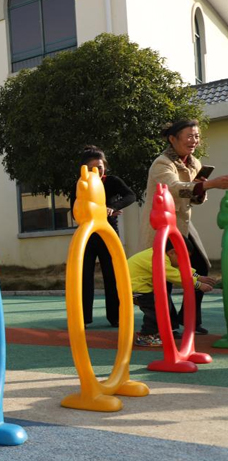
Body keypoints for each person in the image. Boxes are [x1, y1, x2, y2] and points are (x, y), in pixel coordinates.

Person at [139, 119, 228, 334]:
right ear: (173, 138)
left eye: (197, 136)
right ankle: (164, 326)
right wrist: (209, 184)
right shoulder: (162, 163)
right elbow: (173, 188)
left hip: (183, 224)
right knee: (164, 274)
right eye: (189, 136)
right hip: (161, 224)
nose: (194, 141)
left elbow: (193, 198)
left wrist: (202, 189)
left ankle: (190, 320)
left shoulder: (194, 163)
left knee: (200, 266)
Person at [68, 146, 135, 327]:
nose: (97, 171)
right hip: (87, 235)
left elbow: (131, 196)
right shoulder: (80, 184)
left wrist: (113, 207)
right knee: (84, 277)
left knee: (112, 276)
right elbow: (74, 211)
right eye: (91, 168)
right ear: (83, 169)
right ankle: (83, 318)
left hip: (108, 234)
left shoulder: (112, 181)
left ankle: (116, 317)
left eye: (100, 166)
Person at [128, 242, 216, 346]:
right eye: (184, 257)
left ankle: (154, 332)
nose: (185, 261)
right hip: (135, 290)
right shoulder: (158, 258)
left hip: (141, 288)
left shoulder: (161, 254)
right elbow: (175, 276)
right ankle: (145, 336)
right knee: (156, 309)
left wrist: (197, 276)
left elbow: (180, 268)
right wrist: (197, 284)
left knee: (164, 305)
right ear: (172, 252)